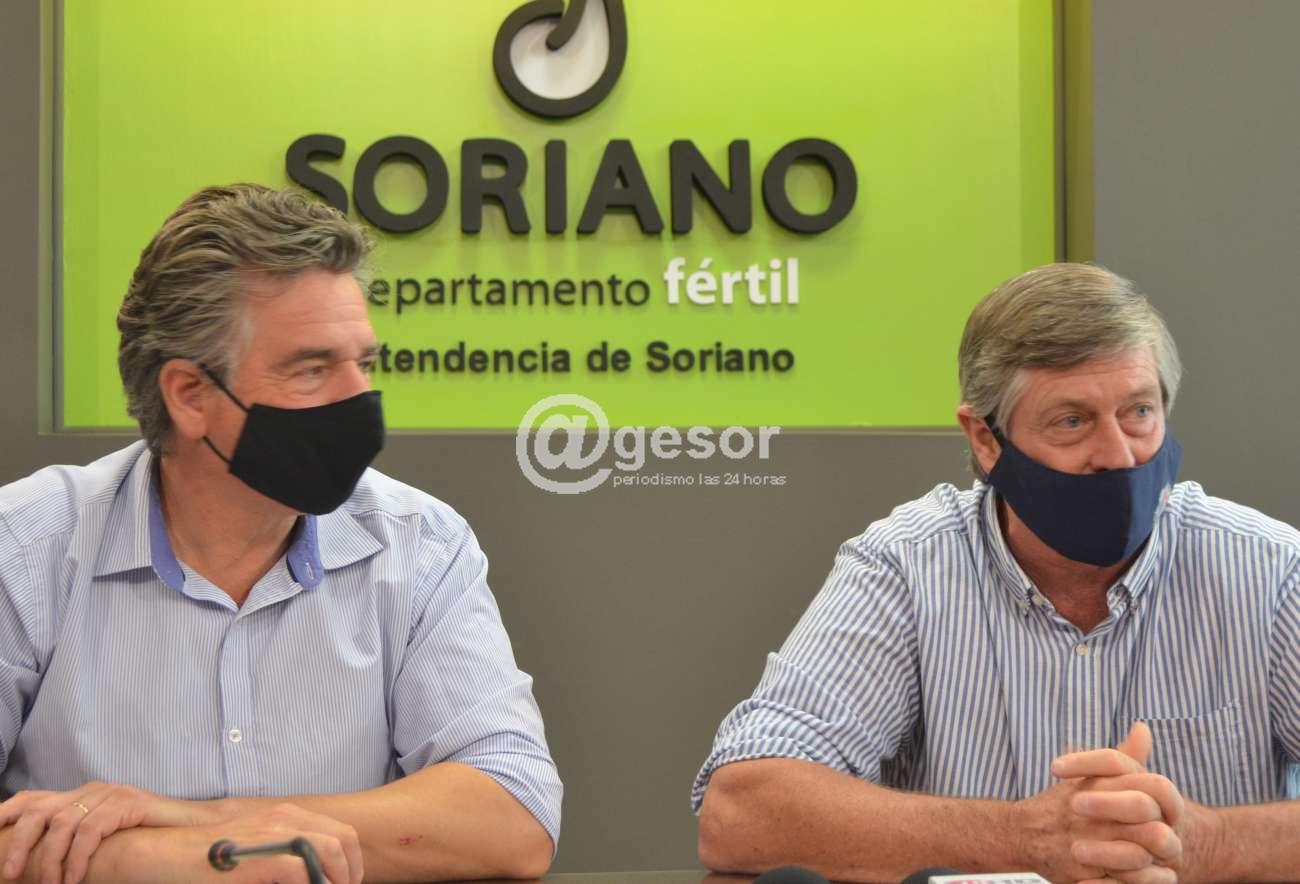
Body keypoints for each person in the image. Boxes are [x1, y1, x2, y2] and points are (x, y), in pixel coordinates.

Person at [0, 184, 561, 883]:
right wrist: (156, 858)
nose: (359, 399)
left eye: (365, 364)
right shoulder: (23, 547)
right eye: (312, 369)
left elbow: (514, 815)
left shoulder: (419, 543)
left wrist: (200, 824)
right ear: (190, 395)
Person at [693, 264, 1300, 883]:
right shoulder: (908, 565)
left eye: (1138, 412)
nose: (1118, 455)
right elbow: (741, 812)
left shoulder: (1270, 569)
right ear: (986, 439)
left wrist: (1203, 844)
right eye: (1072, 421)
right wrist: (1027, 838)